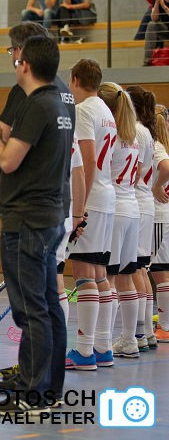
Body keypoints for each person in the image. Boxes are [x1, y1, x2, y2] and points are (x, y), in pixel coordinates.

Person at [0, 35, 71, 414]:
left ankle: (32, 393)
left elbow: (8, 160)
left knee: (30, 308)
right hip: (49, 214)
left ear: (24, 64)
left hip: (27, 218)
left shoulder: (36, 104)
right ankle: (49, 388)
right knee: (48, 304)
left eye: (15, 57)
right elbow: (25, 148)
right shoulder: (58, 102)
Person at [65, 59, 116, 371]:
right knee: (99, 275)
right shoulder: (107, 111)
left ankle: (84, 351)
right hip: (107, 199)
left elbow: (87, 160)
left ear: (75, 80)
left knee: (84, 274)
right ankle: (103, 347)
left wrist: (79, 208)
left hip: (93, 199)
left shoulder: (83, 110)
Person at [95, 82, 141, 359]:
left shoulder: (110, 135)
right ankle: (129, 340)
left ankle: (102, 343)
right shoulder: (133, 136)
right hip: (133, 209)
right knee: (127, 278)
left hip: (115, 210)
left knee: (108, 278)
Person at [125, 86, 158, 351]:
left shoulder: (135, 130)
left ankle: (138, 333)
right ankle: (146, 331)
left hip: (136, 199)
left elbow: (134, 171)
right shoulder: (146, 131)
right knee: (141, 269)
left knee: (134, 269)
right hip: (144, 202)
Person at [150, 104, 169, 343]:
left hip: (158, 214)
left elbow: (165, 168)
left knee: (159, 271)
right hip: (163, 213)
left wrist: (156, 186)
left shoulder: (156, 146)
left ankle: (164, 326)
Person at [144, 0, 169, 66]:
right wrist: (157, 2)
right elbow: (154, 18)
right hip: (165, 29)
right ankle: (148, 60)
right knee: (151, 24)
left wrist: (163, 5)